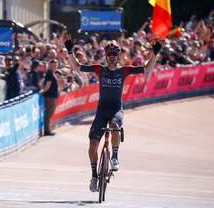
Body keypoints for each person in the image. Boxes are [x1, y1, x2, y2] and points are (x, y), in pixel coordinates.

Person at [64, 33, 161, 192]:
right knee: (93, 145)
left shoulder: (124, 70)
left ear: (118, 56)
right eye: (109, 54)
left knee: (115, 125)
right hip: (101, 111)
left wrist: (155, 53)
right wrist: (69, 50)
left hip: (116, 109)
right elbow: (76, 67)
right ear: (105, 56)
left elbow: (147, 68)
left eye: (114, 54)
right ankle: (94, 175)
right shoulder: (99, 69)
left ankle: (115, 155)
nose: (111, 57)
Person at [40, 59, 59, 136]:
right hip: (50, 97)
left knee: (50, 113)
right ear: (50, 65)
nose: (55, 66)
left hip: (52, 96)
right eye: (53, 65)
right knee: (48, 113)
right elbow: (47, 86)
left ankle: (48, 129)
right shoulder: (49, 74)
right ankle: (47, 130)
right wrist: (42, 92)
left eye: (56, 65)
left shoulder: (51, 73)